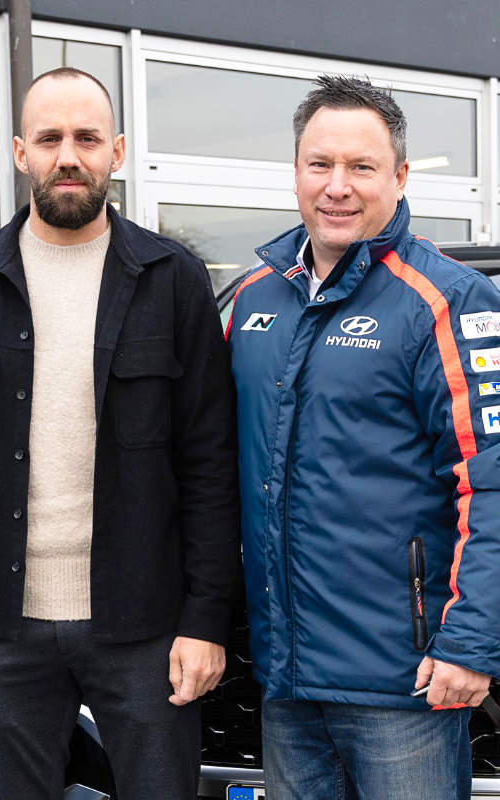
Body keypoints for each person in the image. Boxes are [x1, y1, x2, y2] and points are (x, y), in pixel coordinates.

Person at [0, 67, 240, 799]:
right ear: (21, 152)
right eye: (50, 138)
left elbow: (211, 465)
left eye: (86, 138)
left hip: (145, 627)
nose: (68, 156)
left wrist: (206, 619)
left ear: (116, 151)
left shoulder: (172, 279)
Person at [227, 74, 500, 799]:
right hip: (286, 680)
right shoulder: (254, 302)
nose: (337, 186)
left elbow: (492, 478)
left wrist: (469, 646)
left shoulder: (447, 300)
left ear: (401, 177)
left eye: (361, 166)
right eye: (320, 164)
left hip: (404, 683)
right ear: (295, 173)